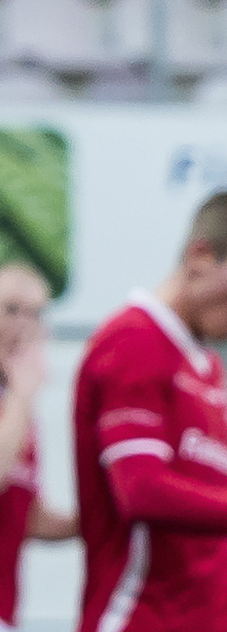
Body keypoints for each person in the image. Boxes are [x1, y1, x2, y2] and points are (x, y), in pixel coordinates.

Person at [74, 190, 227, 632]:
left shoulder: (207, 365)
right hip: (138, 619)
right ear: (200, 256)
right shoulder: (133, 339)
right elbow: (142, 491)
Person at [0, 262, 78, 628]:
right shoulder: (20, 398)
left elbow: (27, 514)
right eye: (11, 309)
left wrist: (104, 515)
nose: (23, 323)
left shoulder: (20, 411)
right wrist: (21, 393)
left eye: (36, 313)